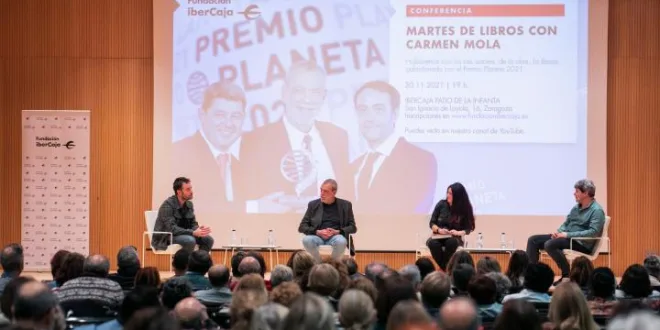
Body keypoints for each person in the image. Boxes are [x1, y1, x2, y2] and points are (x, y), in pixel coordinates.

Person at [240, 60, 352, 213]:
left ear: (324, 96)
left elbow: (348, 197)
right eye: (299, 90)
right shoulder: (255, 141)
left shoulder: (338, 136)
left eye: (315, 92)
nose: (307, 99)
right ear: (284, 93)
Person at [351, 80, 437, 214]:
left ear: (394, 114)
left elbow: (410, 214)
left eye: (378, 109)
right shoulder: (354, 167)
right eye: (363, 110)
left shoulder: (420, 160)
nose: (369, 117)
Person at [171, 81, 247, 213]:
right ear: (202, 115)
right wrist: (253, 206)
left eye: (235, 116)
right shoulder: (178, 154)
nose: (228, 124)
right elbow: (192, 206)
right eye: (220, 115)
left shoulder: (247, 159)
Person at [526, 179, 605, 285]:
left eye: (577, 191)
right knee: (533, 240)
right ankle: (532, 275)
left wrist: (567, 234)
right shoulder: (576, 208)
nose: (574, 193)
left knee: (549, 244)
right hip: (568, 238)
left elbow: (592, 232)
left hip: (582, 243)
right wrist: (558, 232)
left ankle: (566, 275)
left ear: (586, 193)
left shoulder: (597, 211)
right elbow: (567, 223)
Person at [298, 179, 357, 261]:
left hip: (336, 237)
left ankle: (333, 266)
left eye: (325, 191)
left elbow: (353, 228)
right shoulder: (313, 205)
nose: (321, 194)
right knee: (307, 240)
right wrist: (317, 232)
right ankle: (318, 265)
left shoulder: (345, 205)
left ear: (334, 192)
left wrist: (338, 231)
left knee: (341, 241)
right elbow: (302, 227)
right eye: (321, 190)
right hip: (317, 237)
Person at [153, 177, 214, 251]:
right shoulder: (167, 205)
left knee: (208, 239)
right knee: (189, 240)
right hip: (166, 237)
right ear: (179, 192)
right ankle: (184, 262)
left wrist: (198, 229)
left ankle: (199, 261)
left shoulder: (189, 204)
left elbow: (193, 223)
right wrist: (193, 232)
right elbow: (172, 229)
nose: (191, 192)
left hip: (183, 234)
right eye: (188, 189)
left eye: (191, 188)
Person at [426, 183, 475, 271]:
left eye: (450, 194)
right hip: (438, 236)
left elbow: (468, 228)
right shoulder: (441, 204)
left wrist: (458, 232)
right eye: (447, 193)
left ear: (458, 196)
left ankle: (443, 269)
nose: (447, 195)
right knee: (432, 244)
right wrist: (439, 230)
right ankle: (446, 269)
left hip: (454, 237)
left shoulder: (464, 208)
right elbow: (432, 223)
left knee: (451, 242)